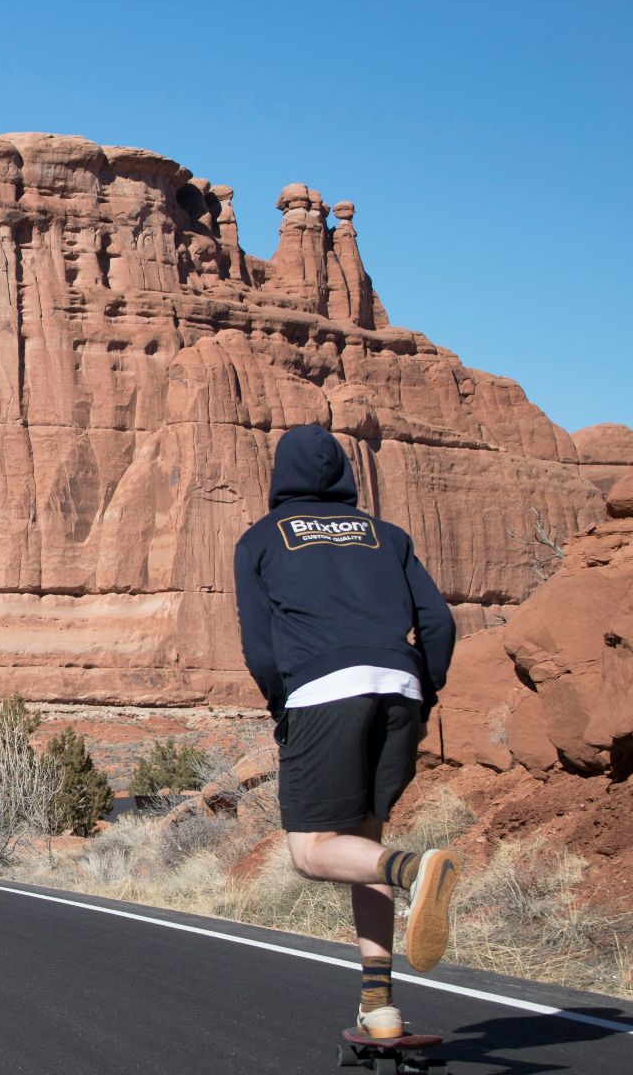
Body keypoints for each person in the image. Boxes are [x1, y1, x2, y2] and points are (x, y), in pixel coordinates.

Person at [233, 425, 460, 1041]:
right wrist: (425, 691)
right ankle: (379, 1006)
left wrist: (284, 705)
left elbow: (259, 646)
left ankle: (417, 870)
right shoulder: (388, 537)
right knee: (366, 850)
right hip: (399, 688)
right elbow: (437, 621)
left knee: (310, 853)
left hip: (322, 691)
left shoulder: (261, 541)